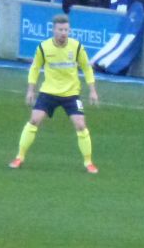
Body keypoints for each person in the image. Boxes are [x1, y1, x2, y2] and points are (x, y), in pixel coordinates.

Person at [10, 14, 99, 173]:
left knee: (80, 124)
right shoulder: (44, 47)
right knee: (34, 120)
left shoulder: (77, 47)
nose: (63, 33)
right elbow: (35, 68)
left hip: (71, 94)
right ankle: (19, 157)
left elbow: (86, 67)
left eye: (66, 29)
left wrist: (92, 90)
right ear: (53, 30)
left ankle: (88, 162)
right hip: (48, 92)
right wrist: (31, 90)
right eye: (60, 29)